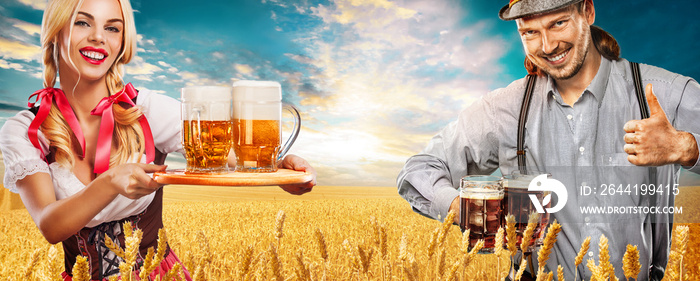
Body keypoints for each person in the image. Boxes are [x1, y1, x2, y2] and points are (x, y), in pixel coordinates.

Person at [0, 0, 316, 280]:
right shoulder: (27, 128)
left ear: (122, 42)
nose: (99, 36)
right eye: (83, 22)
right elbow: (50, 226)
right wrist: (110, 182)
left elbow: (224, 154)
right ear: (56, 31)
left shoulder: (146, 108)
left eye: (113, 28)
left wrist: (277, 169)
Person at [397, 0, 699, 280]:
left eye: (558, 23)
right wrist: (460, 207)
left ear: (588, 12)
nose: (548, 45)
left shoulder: (660, 93)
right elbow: (418, 170)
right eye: (530, 31)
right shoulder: (506, 108)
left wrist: (686, 147)